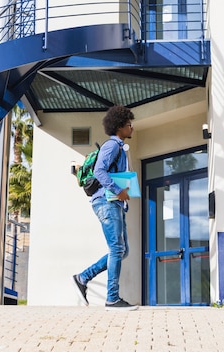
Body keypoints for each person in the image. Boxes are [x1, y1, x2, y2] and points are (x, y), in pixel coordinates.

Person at [73, 105, 137, 311]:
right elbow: (100, 171)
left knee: (122, 250)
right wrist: (119, 190)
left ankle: (83, 278)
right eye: (129, 125)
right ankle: (112, 298)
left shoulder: (119, 148)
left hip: (114, 203)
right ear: (119, 127)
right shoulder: (112, 146)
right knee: (117, 249)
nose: (132, 128)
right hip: (107, 202)